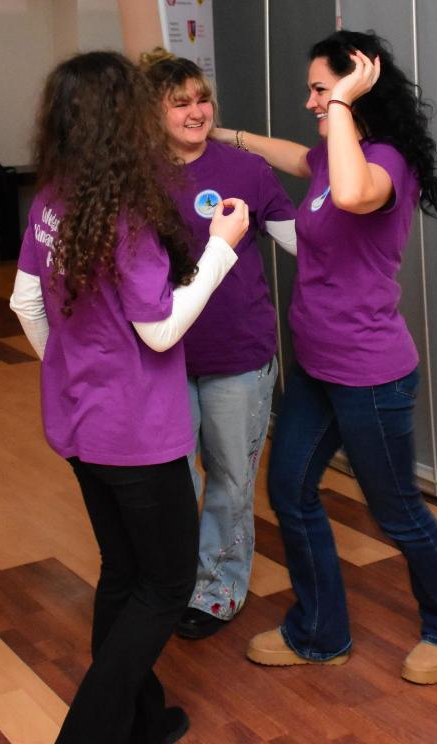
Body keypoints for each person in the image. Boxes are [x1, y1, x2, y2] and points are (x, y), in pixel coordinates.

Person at [213, 30, 437, 685]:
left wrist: (339, 104)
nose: (311, 101)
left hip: (369, 374)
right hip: (318, 366)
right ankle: (320, 633)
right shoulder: (335, 155)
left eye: (320, 89)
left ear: (356, 88)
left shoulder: (383, 162)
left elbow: (353, 195)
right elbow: (300, 159)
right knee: (289, 491)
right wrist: (226, 136)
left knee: (397, 513)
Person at [10, 51, 250, 744]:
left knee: (124, 571)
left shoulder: (52, 200)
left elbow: (25, 301)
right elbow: (160, 328)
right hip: (137, 435)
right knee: (165, 586)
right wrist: (221, 248)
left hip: (81, 424)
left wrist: (72, 368)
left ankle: (143, 722)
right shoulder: (127, 213)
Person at [140, 49, 297, 640]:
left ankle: (217, 589)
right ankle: (171, 583)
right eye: (179, 103)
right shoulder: (134, 175)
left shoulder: (245, 169)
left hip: (239, 352)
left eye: (202, 99)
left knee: (231, 479)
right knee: (172, 481)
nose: (196, 112)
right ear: (150, 113)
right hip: (163, 354)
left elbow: (301, 239)